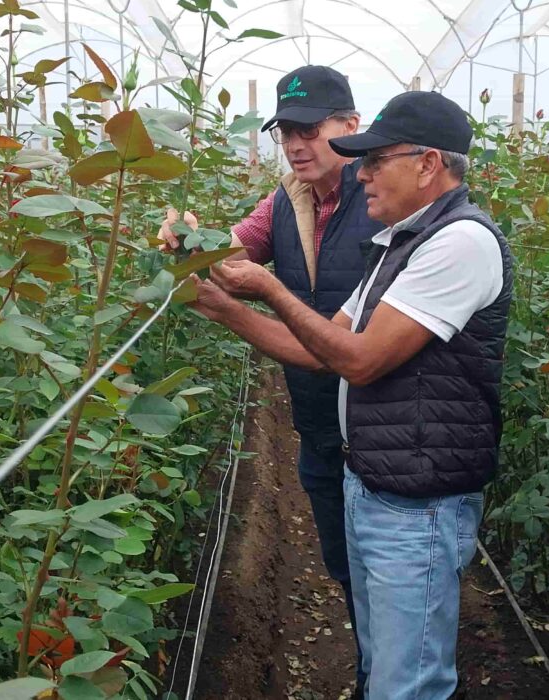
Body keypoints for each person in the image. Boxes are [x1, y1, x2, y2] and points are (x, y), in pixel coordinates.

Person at [188, 91, 513, 699]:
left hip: (419, 503)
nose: (361, 174)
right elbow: (324, 347)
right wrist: (221, 306)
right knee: (382, 658)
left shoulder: (460, 242)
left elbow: (358, 363)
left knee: (407, 681)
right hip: (373, 482)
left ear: (426, 163)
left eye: (375, 161)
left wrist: (269, 288)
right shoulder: (400, 244)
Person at [159, 65, 383, 696]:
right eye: (286, 130)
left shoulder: (383, 200)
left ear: (350, 126)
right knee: (345, 570)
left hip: (383, 429)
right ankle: (370, 671)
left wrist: (254, 294)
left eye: (310, 129)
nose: (295, 143)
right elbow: (233, 250)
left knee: (387, 582)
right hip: (319, 427)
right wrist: (186, 240)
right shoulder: (288, 200)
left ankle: (382, 677)